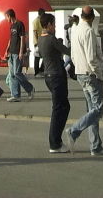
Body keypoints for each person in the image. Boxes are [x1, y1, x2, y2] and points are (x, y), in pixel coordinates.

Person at [64, 5, 103, 156]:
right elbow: (91, 57)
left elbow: (73, 55)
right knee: (98, 109)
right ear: (92, 17)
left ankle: (95, 145)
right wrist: (98, 72)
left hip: (80, 72)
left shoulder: (75, 30)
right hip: (90, 74)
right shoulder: (88, 31)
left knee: (92, 109)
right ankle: (74, 130)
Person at [37, 13, 71, 154]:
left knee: (63, 107)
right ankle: (55, 143)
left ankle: (57, 140)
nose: (55, 26)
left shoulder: (40, 39)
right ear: (49, 25)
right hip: (57, 75)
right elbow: (67, 51)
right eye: (54, 24)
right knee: (59, 109)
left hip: (49, 76)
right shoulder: (51, 39)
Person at [4, 8, 35, 101]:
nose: (6, 19)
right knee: (13, 74)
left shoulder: (19, 24)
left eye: (6, 17)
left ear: (9, 16)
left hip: (18, 53)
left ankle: (30, 88)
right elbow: (11, 39)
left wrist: (21, 51)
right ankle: (16, 95)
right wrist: (7, 50)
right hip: (11, 53)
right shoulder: (12, 26)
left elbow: (22, 38)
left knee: (17, 73)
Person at [32, 9, 47, 75]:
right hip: (38, 41)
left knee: (45, 55)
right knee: (37, 56)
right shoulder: (36, 21)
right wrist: (37, 42)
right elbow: (35, 32)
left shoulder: (42, 20)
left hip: (43, 40)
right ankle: (36, 71)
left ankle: (41, 69)